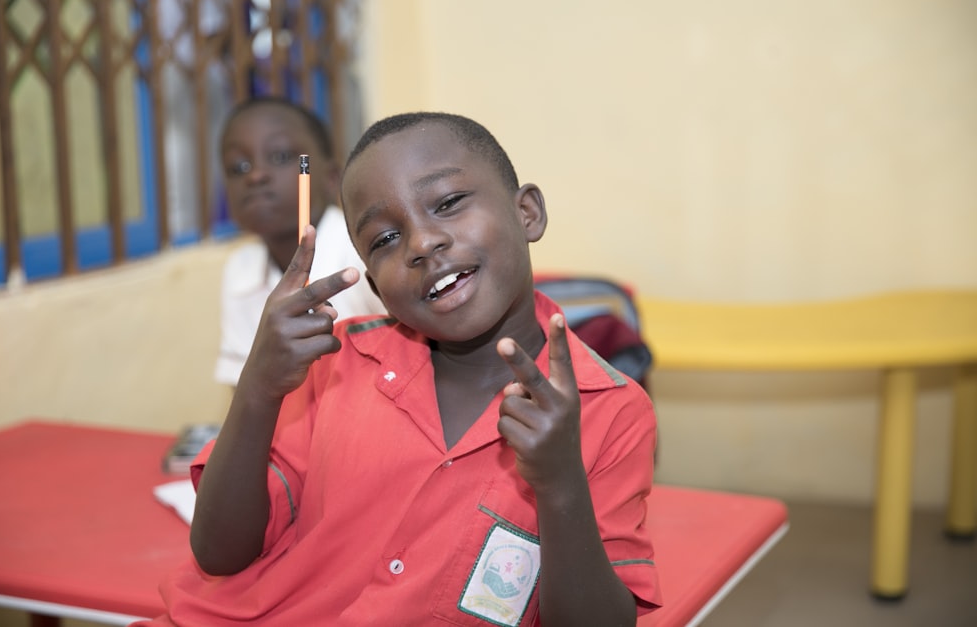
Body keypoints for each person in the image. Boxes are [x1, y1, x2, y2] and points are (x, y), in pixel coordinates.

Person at [140, 112, 661, 625]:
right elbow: (219, 553)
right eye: (385, 239)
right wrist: (258, 387)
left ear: (527, 212)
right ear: (374, 285)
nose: (421, 243)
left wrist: (560, 482)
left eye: (449, 204)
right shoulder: (335, 366)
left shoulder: (609, 410)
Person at [214, 96, 386, 387]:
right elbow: (245, 390)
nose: (256, 175)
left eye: (280, 156)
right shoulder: (239, 270)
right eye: (239, 167)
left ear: (331, 178)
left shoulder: (364, 254)